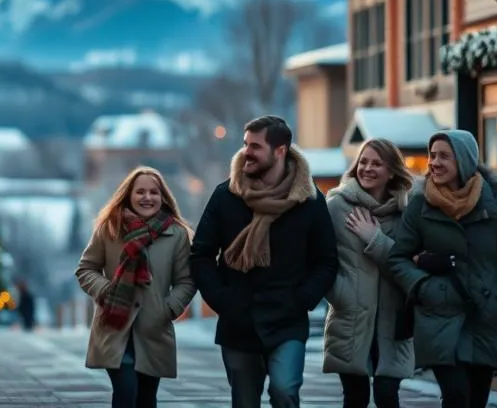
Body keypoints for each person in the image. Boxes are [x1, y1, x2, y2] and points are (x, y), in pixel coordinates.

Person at [191, 115, 338, 408]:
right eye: (246, 144)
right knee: (244, 403)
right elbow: (201, 254)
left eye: (255, 146)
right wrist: (222, 299)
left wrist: (302, 299)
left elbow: (326, 261)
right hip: (238, 323)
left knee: (285, 392)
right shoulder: (226, 195)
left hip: (287, 320)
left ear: (280, 150)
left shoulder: (309, 201)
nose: (247, 152)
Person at [388, 130, 497, 408]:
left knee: (476, 401)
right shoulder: (420, 205)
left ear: (464, 161)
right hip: (438, 318)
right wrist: (424, 287)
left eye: (444, 156)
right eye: (432, 155)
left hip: (485, 319)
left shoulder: (495, 207)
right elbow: (398, 259)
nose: (434, 162)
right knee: (456, 396)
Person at [76, 166, 196, 408]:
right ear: (128, 195)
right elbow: (85, 269)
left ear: (163, 197)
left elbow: (187, 280)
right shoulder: (110, 228)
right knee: (125, 392)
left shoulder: (177, 234)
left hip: (153, 329)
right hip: (114, 326)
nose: (147, 197)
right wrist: (106, 291)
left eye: (154, 192)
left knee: (146, 398)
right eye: (140, 191)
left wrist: (169, 308)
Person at [322, 138, 415, 408]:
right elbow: (321, 259)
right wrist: (339, 293)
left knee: (388, 397)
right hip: (350, 318)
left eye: (376, 163)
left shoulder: (406, 212)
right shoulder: (337, 207)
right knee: (355, 398)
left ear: (392, 171)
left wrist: (374, 239)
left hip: (393, 322)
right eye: (363, 161)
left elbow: (408, 266)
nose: (367, 168)